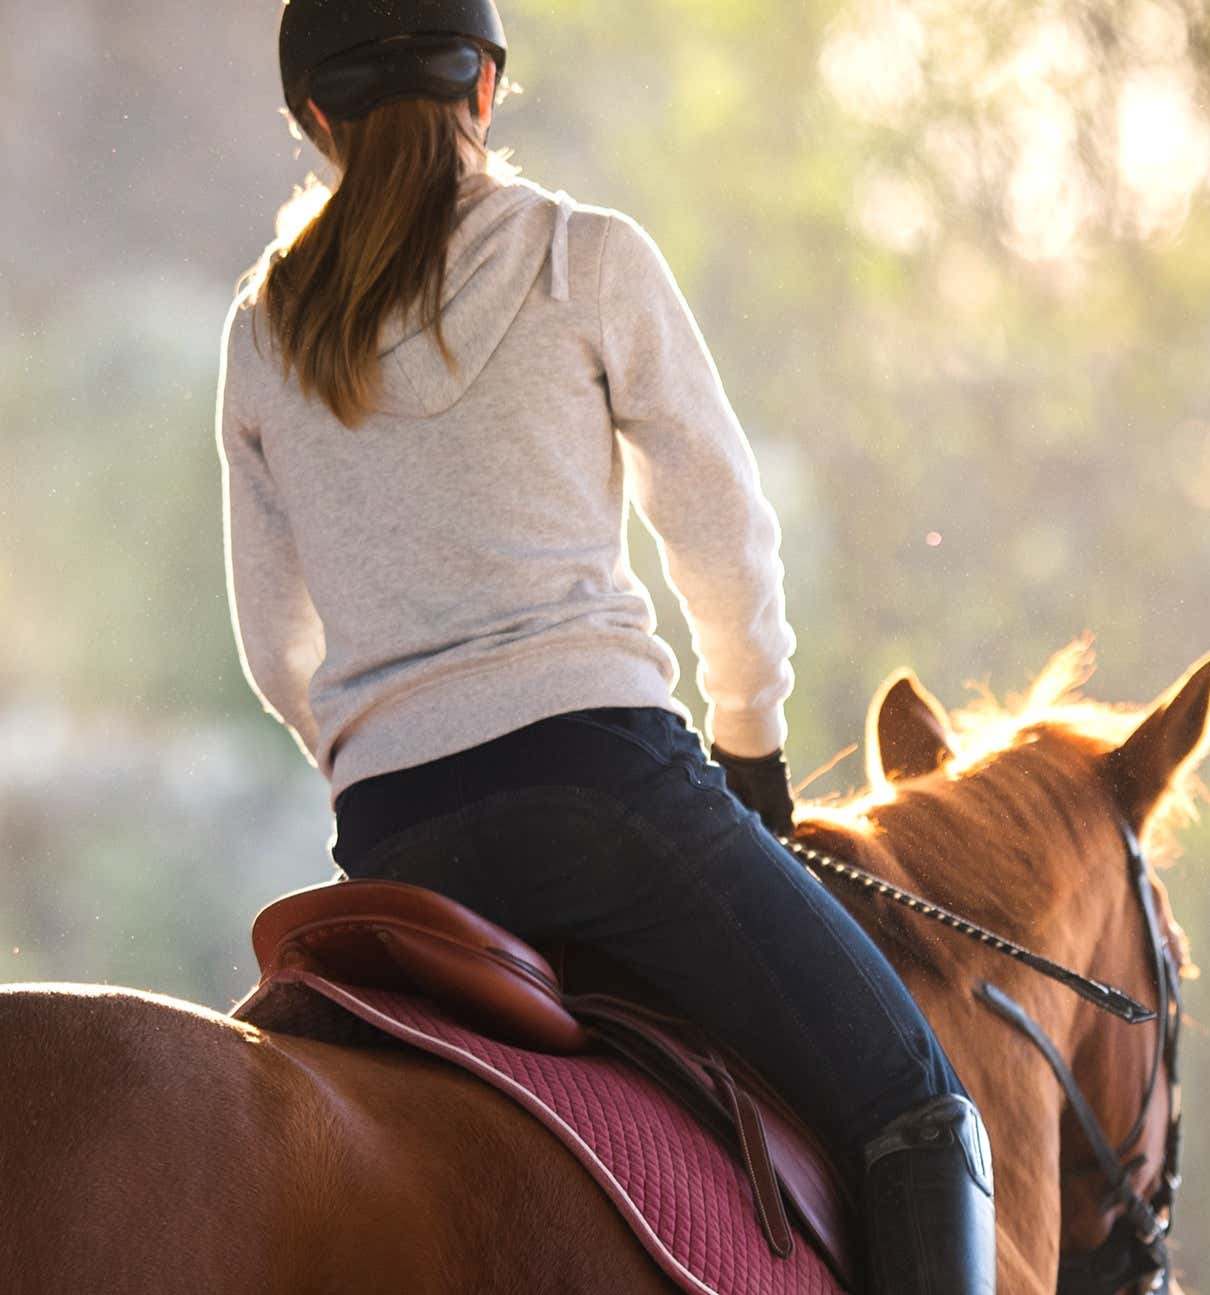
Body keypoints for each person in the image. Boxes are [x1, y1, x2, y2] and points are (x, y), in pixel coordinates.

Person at [212, 2, 994, 1289]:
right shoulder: (585, 260)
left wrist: (383, 748)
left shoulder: (261, 332)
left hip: (393, 843)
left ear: (315, 121)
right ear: (485, 91)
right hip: (607, 797)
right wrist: (748, 747)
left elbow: (270, 646)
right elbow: (722, 535)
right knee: (914, 1103)